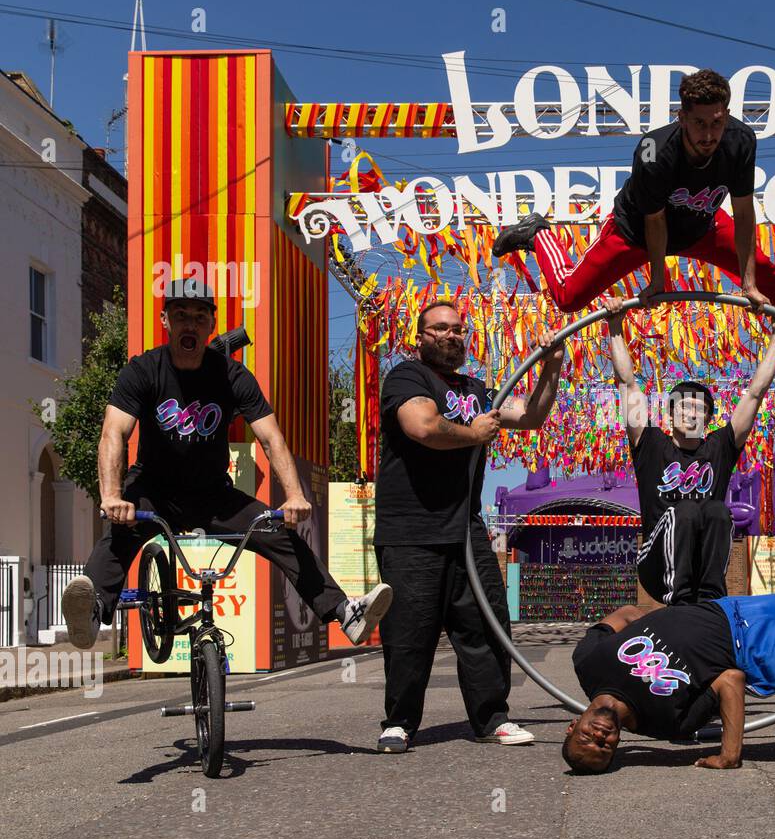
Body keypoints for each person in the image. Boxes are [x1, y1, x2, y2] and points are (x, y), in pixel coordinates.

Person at [61, 278, 391, 652]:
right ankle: (93, 612)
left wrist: (295, 495)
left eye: (200, 317)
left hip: (212, 494)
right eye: (180, 315)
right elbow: (113, 434)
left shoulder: (232, 376)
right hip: (153, 488)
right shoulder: (143, 370)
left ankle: (344, 612)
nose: (190, 324)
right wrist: (111, 495)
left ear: (211, 326)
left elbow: (271, 438)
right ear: (165, 320)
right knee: (119, 533)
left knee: (278, 533)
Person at [373, 300, 564, 753]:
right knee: (409, 632)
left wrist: (552, 369)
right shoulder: (407, 377)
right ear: (419, 338)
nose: (450, 335)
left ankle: (492, 716)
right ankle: (399, 721)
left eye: (458, 329)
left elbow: (532, 417)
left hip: (465, 527)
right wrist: (474, 435)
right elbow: (422, 426)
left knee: (484, 623)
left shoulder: (479, 390)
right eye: (439, 328)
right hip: (410, 529)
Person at [492, 69, 775, 321]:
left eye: (717, 123)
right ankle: (538, 233)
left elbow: (745, 214)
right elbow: (655, 222)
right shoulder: (654, 152)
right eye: (699, 123)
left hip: (702, 224)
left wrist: (748, 284)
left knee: (765, 272)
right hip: (637, 232)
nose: (708, 135)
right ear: (682, 118)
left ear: (727, 115)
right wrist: (659, 279)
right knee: (569, 299)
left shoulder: (741, 140)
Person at [562, 573, 775, 773]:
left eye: (586, 738)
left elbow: (626, 614)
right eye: (605, 748)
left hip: (735, 607)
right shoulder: (666, 722)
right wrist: (730, 754)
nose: (600, 737)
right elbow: (730, 680)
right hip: (759, 646)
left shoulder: (587, 662)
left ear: (573, 725)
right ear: (617, 745)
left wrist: (673, 620)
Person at [601, 294, 775, 604]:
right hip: (657, 562)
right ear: (669, 414)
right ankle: (681, 600)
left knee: (716, 509)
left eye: (699, 409)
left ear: (708, 418)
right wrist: (614, 327)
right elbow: (627, 383)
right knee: (687, 510)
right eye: (683, 407)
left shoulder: (718, 447)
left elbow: (756, 394)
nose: (690, 413)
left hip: (702, 563)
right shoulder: (651, 444)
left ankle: (710, 601)